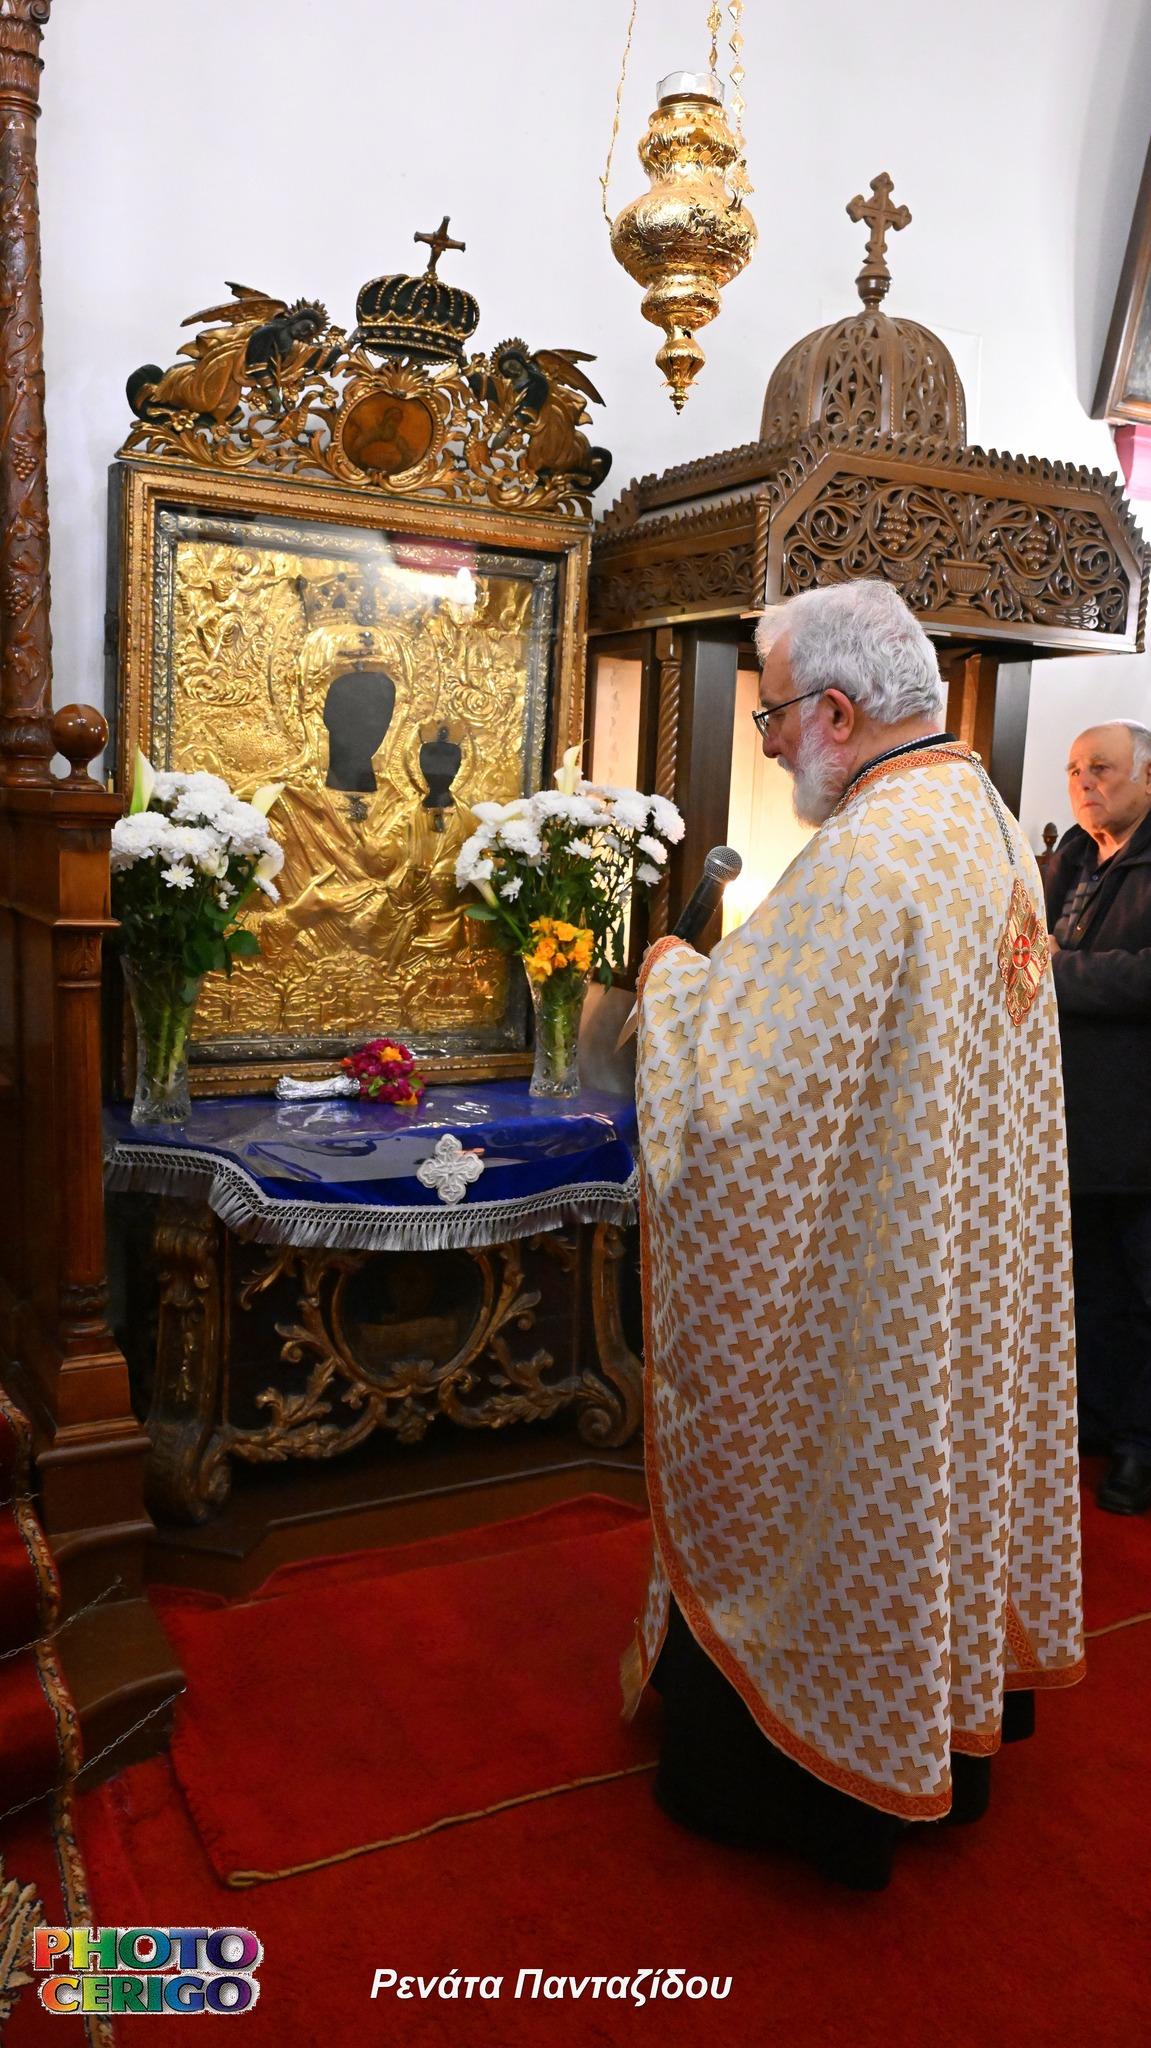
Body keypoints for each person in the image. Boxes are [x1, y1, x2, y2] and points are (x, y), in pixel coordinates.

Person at [624, 579, 1084, 1891]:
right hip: (951, 1251)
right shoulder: (974, 816)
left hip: (878, 1288)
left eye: (770, 714)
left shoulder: (872, 854)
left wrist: (669, 982)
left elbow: (742, 1098)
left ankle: (810, 1769)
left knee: (840, 1480)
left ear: (834, 709)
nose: (768, 742)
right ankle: (938, 1730)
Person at [1043, 721, 1151, 1515]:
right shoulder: (1066, 860)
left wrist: (1060, 973)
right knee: (1087, 1289)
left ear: (1147, 777)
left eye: (1102, 768)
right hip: (1070, 1122)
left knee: (1145, 1293)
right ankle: (1095, 1421)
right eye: (1075, 769)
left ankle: (1141, 1447)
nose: (1084, 783)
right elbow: (1017, 953)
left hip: (1138, 1123)